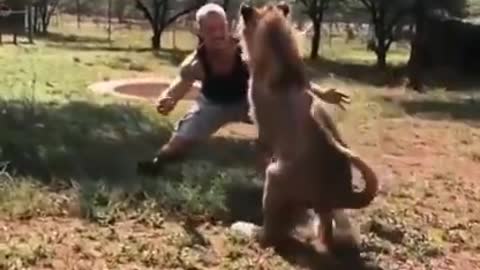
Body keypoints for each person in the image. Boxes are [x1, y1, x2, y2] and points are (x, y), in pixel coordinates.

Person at [137, 3, 350, 176]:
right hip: (214, 105)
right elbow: (181, 83)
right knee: (179, 143)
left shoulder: (247, 51)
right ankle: (157, 164)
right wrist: (168, 98)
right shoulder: (195, 64)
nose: (218, 33)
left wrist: (320, 92)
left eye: (221, 27)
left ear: (227, 26)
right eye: (210, 29)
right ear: (200, 31)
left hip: (250, 103)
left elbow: (284, 75)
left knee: (280, 130)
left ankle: (283, 177)